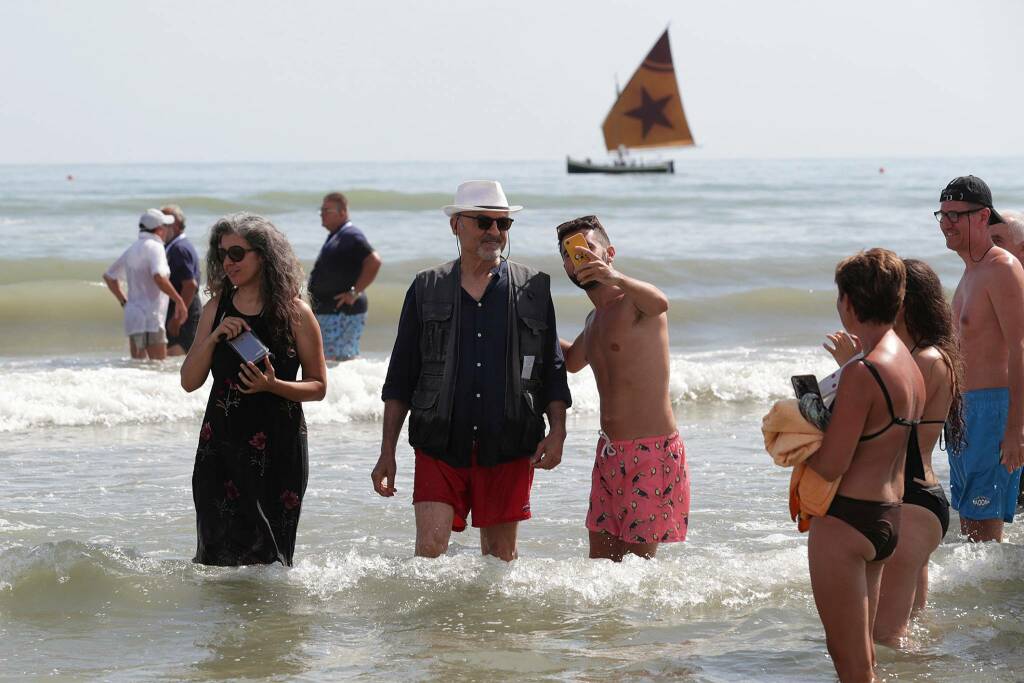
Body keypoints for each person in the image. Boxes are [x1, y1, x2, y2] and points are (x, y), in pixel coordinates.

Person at [371, 180, 571, 561]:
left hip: (510, 441)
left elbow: (552, 369)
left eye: (503, 224)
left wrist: (558, 429)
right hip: (440, 442)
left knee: (499, 557)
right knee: (429, 551)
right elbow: (401, 375)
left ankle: (489, 625)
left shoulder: (533, 288)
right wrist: (387, 452)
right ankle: (430, 624)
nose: (494, 232)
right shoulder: (426, 287)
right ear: (456, 225)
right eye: (483, 222)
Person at [824, 259, 966, 646]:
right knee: (912, 625)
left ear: (905, 303)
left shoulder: (921, 360)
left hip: (911, 498)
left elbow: (887, 429)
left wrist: (852, 367)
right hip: (922, 497)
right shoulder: (922, 355)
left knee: (885, 635)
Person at [804, 249, 925, 682]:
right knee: (866, 661)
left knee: (850, 665)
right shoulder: (908, 364)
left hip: (847, 518)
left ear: (850, 303)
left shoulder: (864, 371)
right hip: (888, 515)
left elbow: (832, 463)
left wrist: (795, 444)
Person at [180, 212, 326, 566]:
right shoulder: (216, 308)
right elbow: (188, 381)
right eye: (221, 254)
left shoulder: (295, 313)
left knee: (271, 561)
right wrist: (213, 338)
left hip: (276, 447)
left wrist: (272, 385)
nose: (227, 263)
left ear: (263, 254)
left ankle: (270, 623)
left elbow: (318, 386)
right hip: (221, 446)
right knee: (216, 556)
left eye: (236, 253)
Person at [556, 215, 689, 561]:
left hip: (652, 453)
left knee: (636, 570)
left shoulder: (636, 304)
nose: (577, 259)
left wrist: (613, 277)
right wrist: (527, 323)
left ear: (609, 252)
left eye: (587, 249)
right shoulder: (594, 319)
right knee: (600, 569)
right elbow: (571, 362)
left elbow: (661, 302)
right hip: (609, 454)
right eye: (569, 255)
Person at [938, 176, 1024, 542]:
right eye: (942, 214)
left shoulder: (1001, 268)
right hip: (963, 412)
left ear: (982, 216)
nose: (946, 223)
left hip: (993, 410)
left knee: (983, 534)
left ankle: (996, 600)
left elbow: (1020, 347)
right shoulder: (970, 271)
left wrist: (1015, 428)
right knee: (970, 530)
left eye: (956, 214)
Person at [103, 209, 187, 360]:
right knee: (157, 366)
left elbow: (109, 277)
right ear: (159, 230)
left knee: (138, 366)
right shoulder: (156, 247)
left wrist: (124, 302)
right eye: (165, 226)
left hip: (133, 316)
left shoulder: (133, 248)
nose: (166, 230)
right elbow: (159, 277)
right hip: (151, 318)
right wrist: (179, 300)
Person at [307, 192, 382, 361]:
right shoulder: (337, 235)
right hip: (331, 312)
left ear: (342, 213)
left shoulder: (350, 235)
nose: (322, 214)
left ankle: (351, 388)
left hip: (341, 313)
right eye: (321, 210)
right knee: (330, 361)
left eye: (327, 210)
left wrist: (354, 292)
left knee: (339, 361)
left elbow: (374, 261)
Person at [160, 204, 202, 356]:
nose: (160, 227)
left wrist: (177, 319)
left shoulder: (179, 249)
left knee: (176, 356)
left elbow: (190, 285)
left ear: (176, 225)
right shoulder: (174, 246)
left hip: (185, 314)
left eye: (164, 223)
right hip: (182, 311)